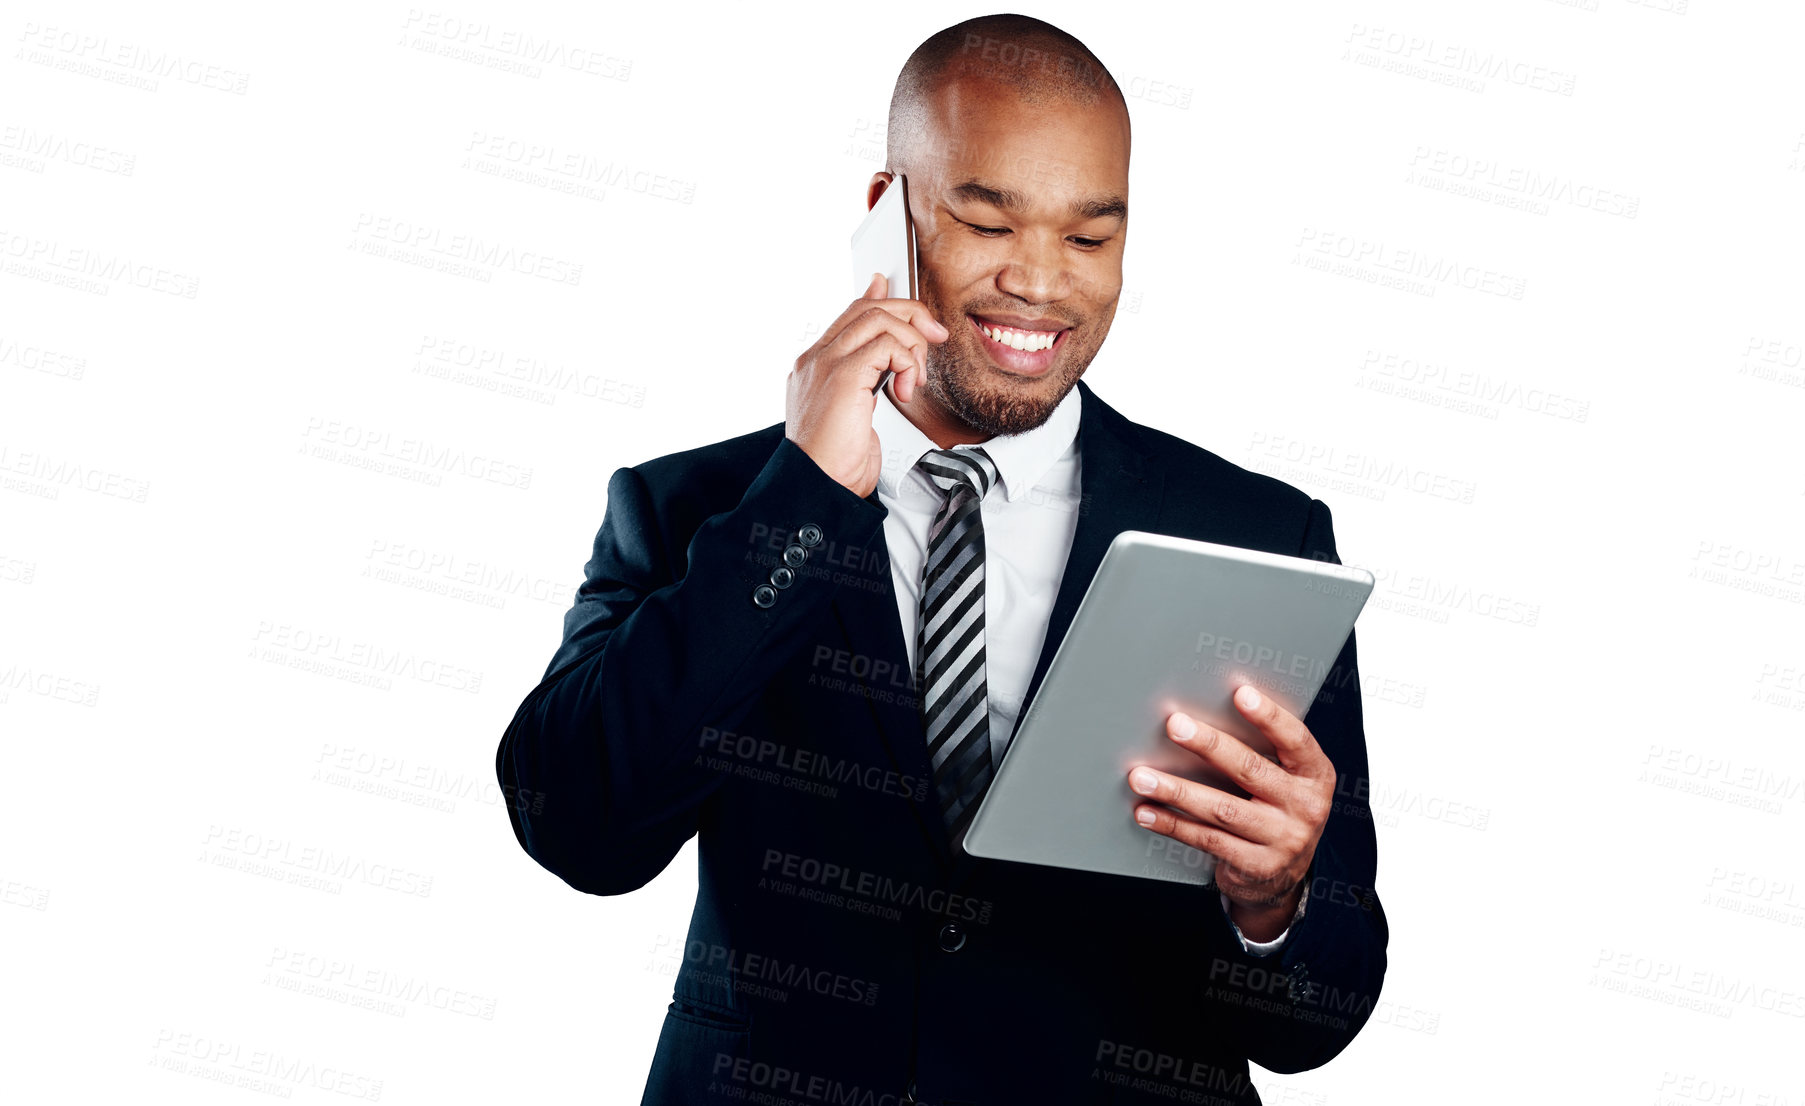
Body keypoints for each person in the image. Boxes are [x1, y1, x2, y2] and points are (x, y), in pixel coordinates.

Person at [495, 14, 1387, 1105]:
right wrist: (804, 500)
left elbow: (1318, 1021)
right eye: (985, 220)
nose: (1040, 284)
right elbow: (576, 824)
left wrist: (1275, 900)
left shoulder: (1255, 534)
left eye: (1089, 238)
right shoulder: (695, 509)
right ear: (889, 214)